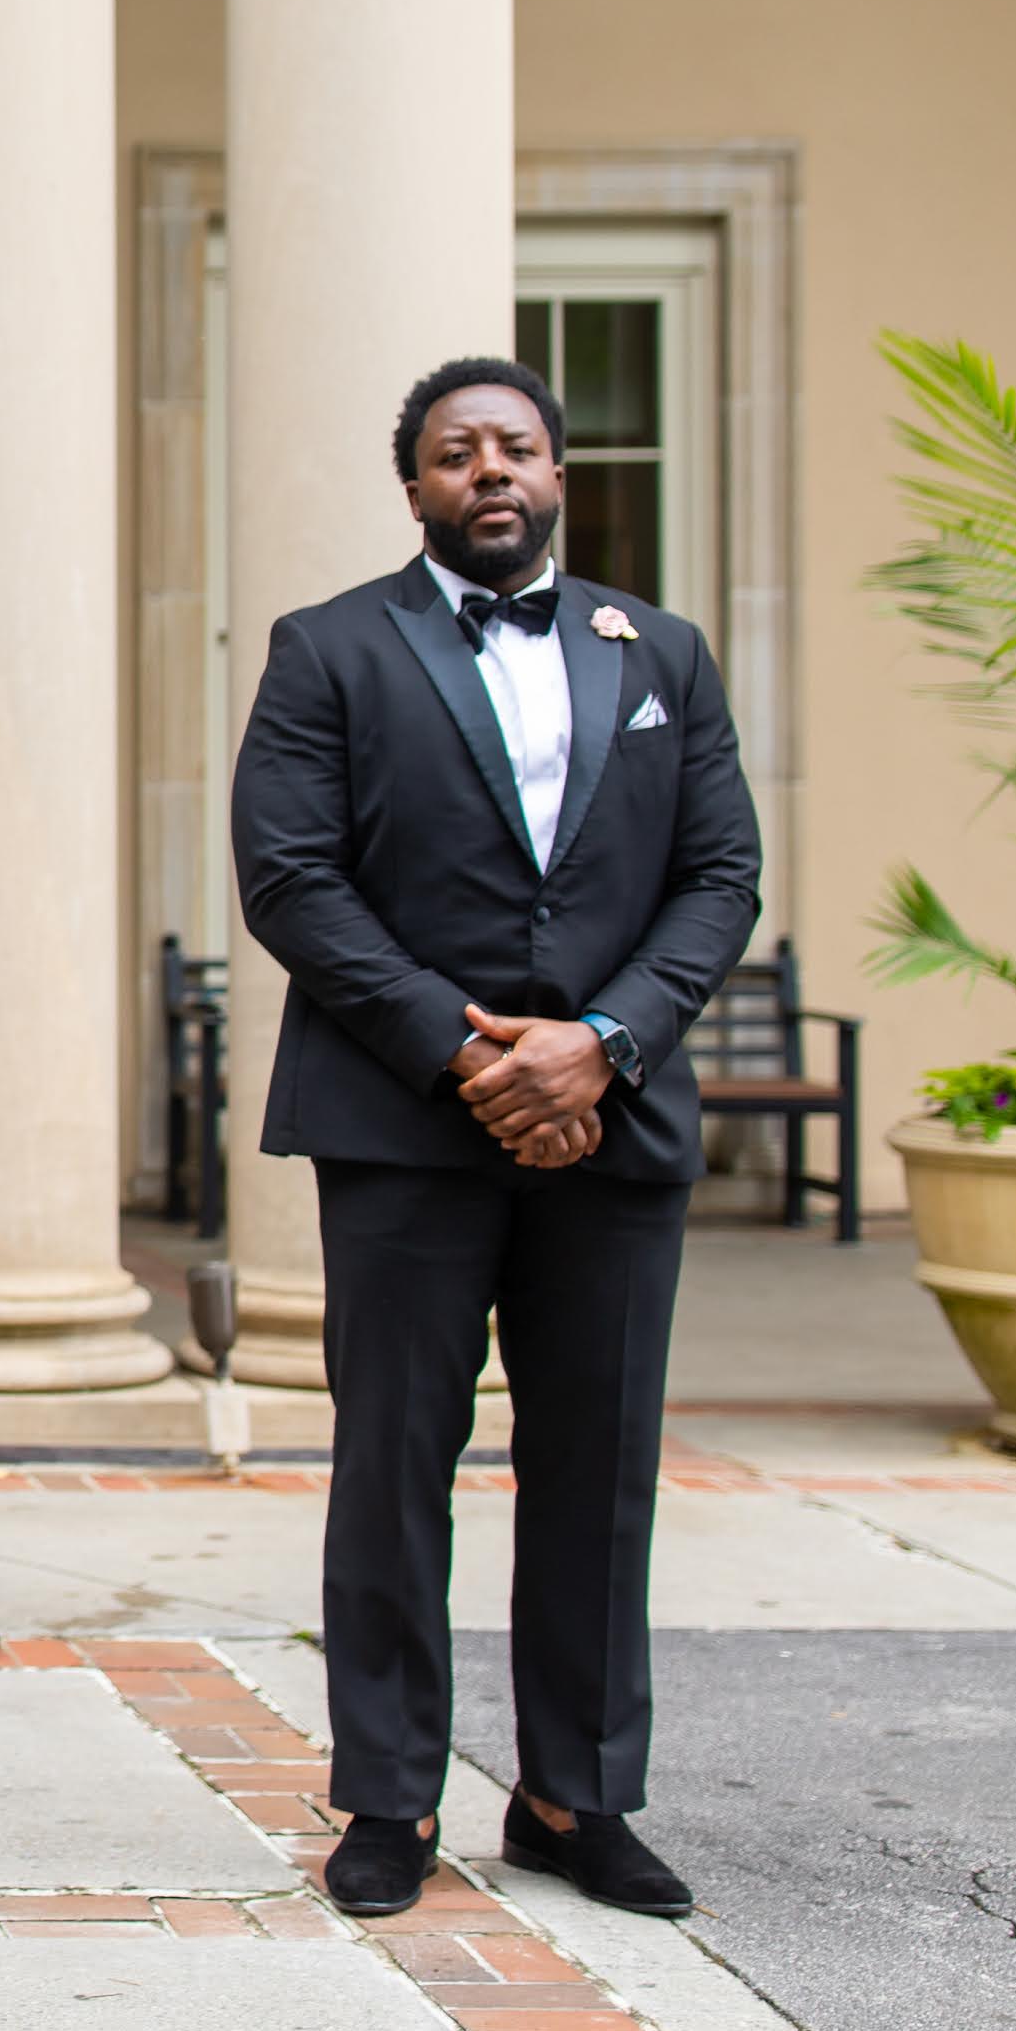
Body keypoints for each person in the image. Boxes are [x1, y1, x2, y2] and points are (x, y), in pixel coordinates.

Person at [231, 354, 759, 1922]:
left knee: (595, 1471)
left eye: (516, 447)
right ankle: (388, 1795)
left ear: (556, 473)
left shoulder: (656, 650)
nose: (490, 473)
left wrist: (599, 1044)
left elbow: (718, 874)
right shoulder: (328, 647)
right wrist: (472, 1050)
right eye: (456, 453)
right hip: (403, 1120)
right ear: (413, 488)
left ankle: (570, 1792)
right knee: (393, 1458)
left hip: (614, 1109)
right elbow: (290, 877)